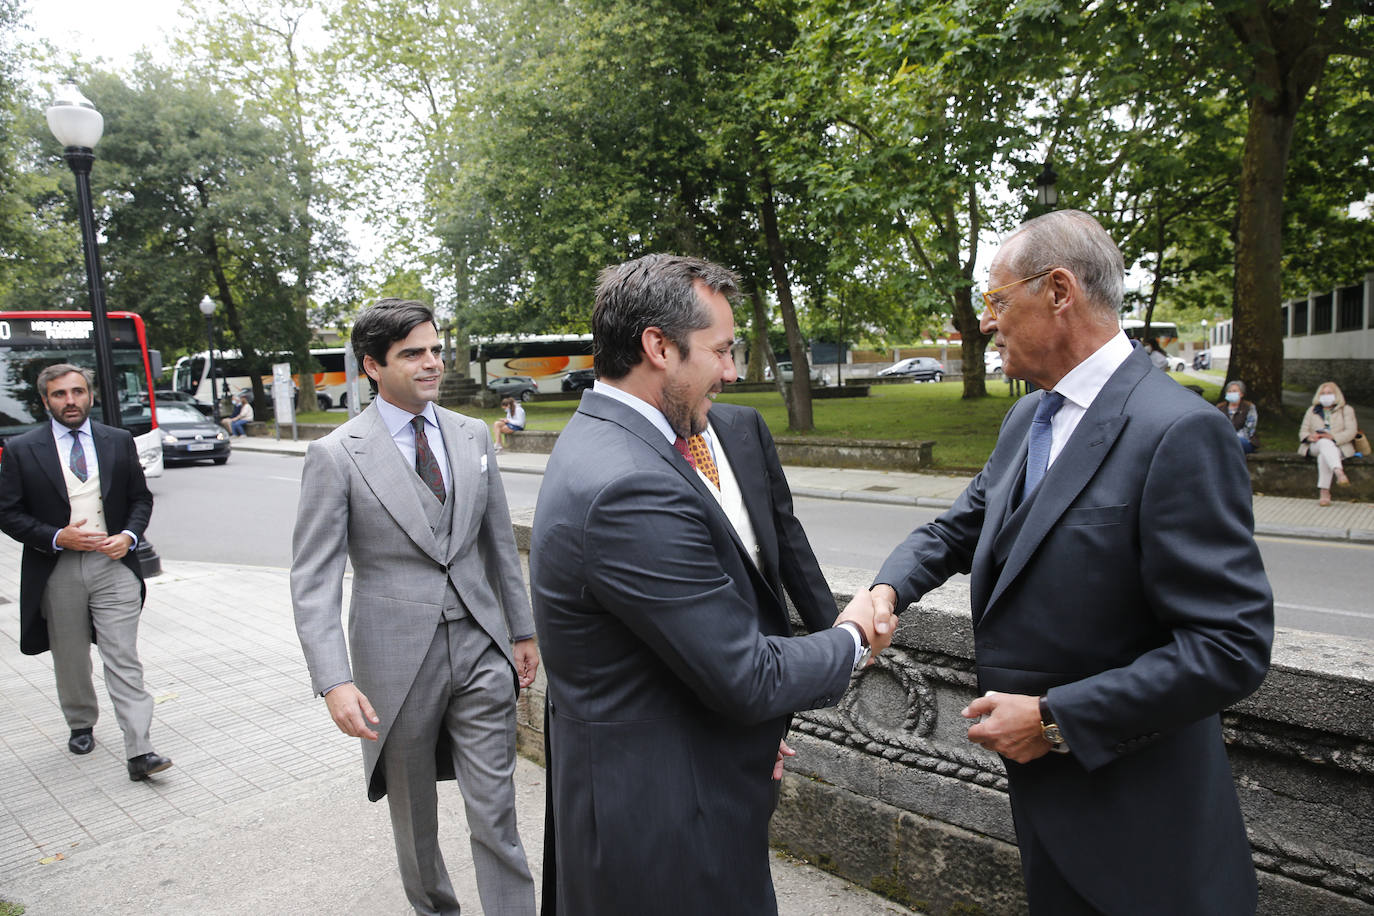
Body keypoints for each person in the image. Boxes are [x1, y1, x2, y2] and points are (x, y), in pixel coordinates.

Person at [852, 211, 1273, 914]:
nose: (985, 322)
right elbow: (961, 526)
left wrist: (1055, 719)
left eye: (994, 300)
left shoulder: (1180, 432)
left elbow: (1229, 648)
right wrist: (885, 588)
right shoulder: (1028, 418)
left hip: (1146, 834)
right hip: (1050, 815)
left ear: (1058, 291)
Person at [529, 253, 889, 916]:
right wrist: (853, 633)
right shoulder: (630, 485)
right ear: (658, 347)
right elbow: (744, 674)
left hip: (666, 793)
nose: (731, 371)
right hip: (668, 827)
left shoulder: (607, 442)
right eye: (721, 351)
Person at [291, 299, 540, 916]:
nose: (432, 364)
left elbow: (495, 541)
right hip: (395, 664)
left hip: (481, 646)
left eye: (434, 349)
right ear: (373, 366)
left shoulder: (471, 433)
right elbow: (313, 578)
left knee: (496, 812)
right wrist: (333, 681)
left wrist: (522, 630)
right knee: (415, 819)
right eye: (413, 354)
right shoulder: (337, 454)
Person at [0, 364, 173, 781]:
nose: (71, 400)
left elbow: (139, 499)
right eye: (60, 394)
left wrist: (130, 536)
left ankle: (140, 749)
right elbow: (7, 512)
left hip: (113, 565)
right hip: (56, 567)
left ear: (90, 395)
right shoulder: (23, 449)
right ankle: (80, 720)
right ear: (46, 401)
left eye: (78, 392)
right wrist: (57, 536)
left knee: (123, 657)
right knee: (71, 655)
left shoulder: (117, 442)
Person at [1298, 380, 1357, 507]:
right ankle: (1339, 473)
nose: (1326, 395)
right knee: (1323, 442)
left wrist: (1333, 437)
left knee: (1324, 454)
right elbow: (1303, 431)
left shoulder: (1346, 410)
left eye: (1329, 393)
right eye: (1323, 393)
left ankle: (1324, 493)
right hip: (1315, 445)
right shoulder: (1312, 410)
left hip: (1339, 446)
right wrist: (1310, 437)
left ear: (1337, 395)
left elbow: (1351, 431)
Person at [1217, 379, 1259, 454]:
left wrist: (1232, 438)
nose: (1231, 393)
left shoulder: (1249, 407)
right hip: (1223, 439)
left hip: (1244, 440)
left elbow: (1249, 428)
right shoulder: (1219, 408)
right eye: (1229, 391)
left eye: (1234, 391)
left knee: (1233, 444)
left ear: (1241, 394)